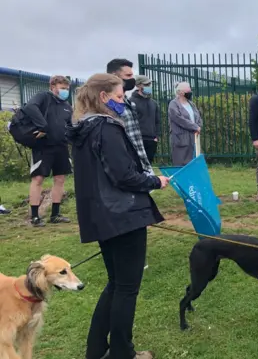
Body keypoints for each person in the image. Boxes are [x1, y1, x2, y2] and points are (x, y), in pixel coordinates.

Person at [66, 73, 170, 359]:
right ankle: (123, 353)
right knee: (126, 288)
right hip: (123, 215)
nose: (124, 102)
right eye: (121, 97)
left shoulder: (83, 129)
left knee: (116, 284)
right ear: (104, 97)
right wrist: (154, 182)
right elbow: (123, 175)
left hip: (101, 216)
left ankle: (97, 348)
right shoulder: (106, 128)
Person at [22, 75, 73, 227]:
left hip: (61, 146)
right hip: (43, 146)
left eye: (67, 88)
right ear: (52, 87)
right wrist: (43, 126)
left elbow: (70, 124)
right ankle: (35, 217)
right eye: (62, 88)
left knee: (60, 179)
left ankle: (55, 214)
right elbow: (30, 107)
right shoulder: (43, 97)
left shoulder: (66, 105)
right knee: (38, 179)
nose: (65, 91)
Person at [106, 59, 154, 175]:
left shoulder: (128, 102)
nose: (132, 79)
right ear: (114, 76)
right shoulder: (107, 104)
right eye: (128, 75)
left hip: (136, 161)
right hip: (123, 165)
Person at [168, 82, 202, 166]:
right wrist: (195, 127)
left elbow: (198, 116)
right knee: (181, 164)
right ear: (181, 92)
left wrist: (199, 126)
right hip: (180, 139)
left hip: (193, 138)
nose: (190, 91)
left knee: (193, 163)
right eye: (188, 89)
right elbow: (179, 119)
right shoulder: (173, 104)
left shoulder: (191, 104)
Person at [130, 75, 161, 164]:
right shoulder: (131, 102)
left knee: (149, 165)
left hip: (152, 140)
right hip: (138, 140)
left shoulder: (153, 103)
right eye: (146, 84)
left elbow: (157, 121)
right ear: (139, 85)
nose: (149, 86)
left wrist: (156, 137)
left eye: (150, 84)